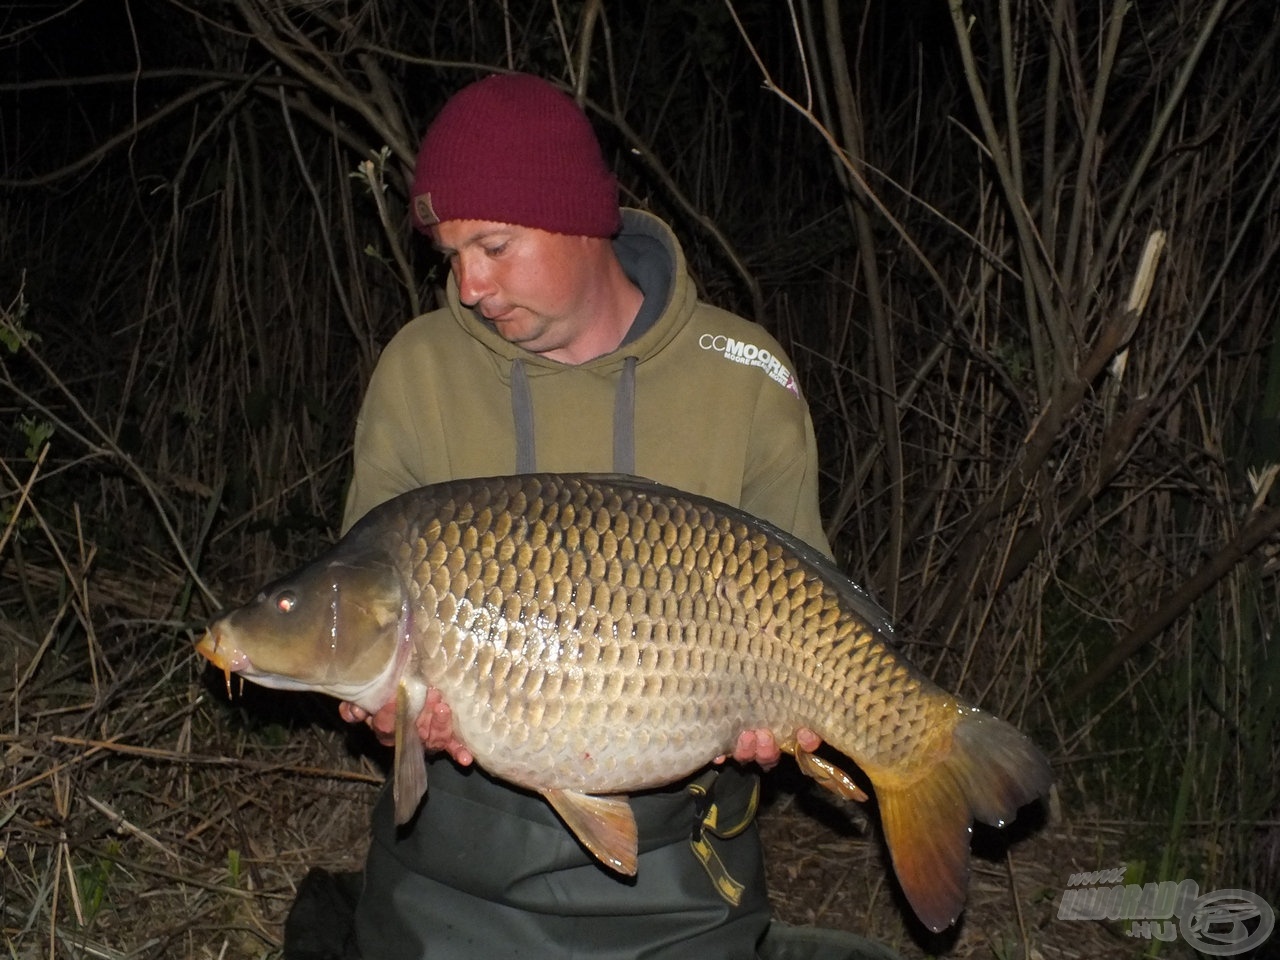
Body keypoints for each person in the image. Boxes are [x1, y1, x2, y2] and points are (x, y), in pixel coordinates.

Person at [284, 72, 897, 960]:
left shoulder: (743, 376)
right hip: (456, 864)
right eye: (452, 256)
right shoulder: (418, 370)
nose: (469, 286)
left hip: (686, 856)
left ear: (577, 216)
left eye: (493, 246)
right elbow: (370, 609)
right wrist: (389, 711)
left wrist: (782, 725)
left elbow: (806, 611)